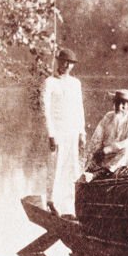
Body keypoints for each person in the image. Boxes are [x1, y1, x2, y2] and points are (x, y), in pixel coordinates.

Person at [42, 48, 85, 216]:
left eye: (70, 63)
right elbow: (45, 110)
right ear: (58, 62)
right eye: (64, 62)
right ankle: (51, 201)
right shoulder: (50, 82)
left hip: (72, 130)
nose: (66, 66)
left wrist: (82, 132)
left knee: (72, 167)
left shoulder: (76, 84)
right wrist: (50, 134)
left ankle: (69, 206)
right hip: (57, 131)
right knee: (56, 165)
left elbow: (79, 109)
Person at [83, 89, 128, 176]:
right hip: (107, 155)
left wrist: (107, 150)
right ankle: (95, 170)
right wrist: (93, 153)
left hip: (126, 156)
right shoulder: (108, 116)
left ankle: (105, 171)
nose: (121, 107)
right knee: (93, 159)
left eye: (124, 104)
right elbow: (97, 137)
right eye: (118, 103)